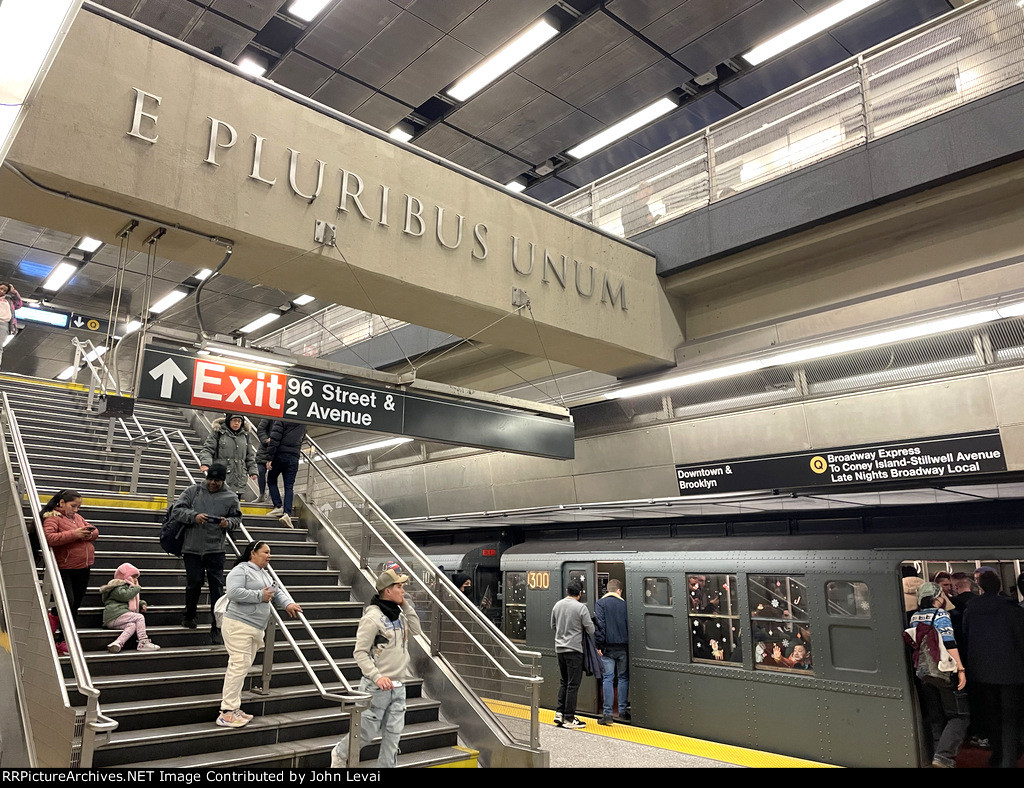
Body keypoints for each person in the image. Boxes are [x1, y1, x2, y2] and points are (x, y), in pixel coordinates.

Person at [331, 564, 423, 768]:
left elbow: (416, 630)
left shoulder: (399, 614)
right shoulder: (372, 618)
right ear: (388, 590)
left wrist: (406, 606)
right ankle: (340, 753)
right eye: (400, 587)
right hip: (376, 687)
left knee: (393, 737)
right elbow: (360, 652)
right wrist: (376, 676)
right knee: (365, 732)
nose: (403, 590)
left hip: (399, 685)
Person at [216, 540, 302, 728]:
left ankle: (234, 707)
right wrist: (258, 596)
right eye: (266, 552)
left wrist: (287, 604)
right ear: (252, 553)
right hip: (238, 625)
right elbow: (233, 592)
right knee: (238, 665)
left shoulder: (264, 574)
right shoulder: (241, 570)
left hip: (255, 627)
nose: (269, 555)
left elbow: (275, 592)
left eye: (270, 552)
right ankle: (227, 712)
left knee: (243, 666)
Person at [173, 463, 241, 645]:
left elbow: (238, 519)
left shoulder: (231, 497)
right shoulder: (193, 491)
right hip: (192, 548)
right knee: (193, 582)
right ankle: (189, 614)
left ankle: (217, 627)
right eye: (210, 479)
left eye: (216, 481)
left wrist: (228, 523)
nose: (212, 483)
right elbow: (177, 510)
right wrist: (193, 516)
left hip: (215, 549)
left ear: (222, 481)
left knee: (216, 589)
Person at [962, 571, 1024, 768]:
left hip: (981, 672)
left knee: (992, 716)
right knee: (1010, 718)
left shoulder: (970, 609)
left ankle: (996, 755)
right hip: (1011, 672)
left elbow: (965, 634)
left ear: (980, 587)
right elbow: (1021, 640)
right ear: (999, 586)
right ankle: (1008, 760)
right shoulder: (1012, 609)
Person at [906, 582, 969, 769]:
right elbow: (949, 642)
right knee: (959, 716)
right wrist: (960, 669)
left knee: (936, 716)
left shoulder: (915, 616)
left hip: (924, 671)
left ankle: (935, 754)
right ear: (937, 597)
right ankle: (943, 756)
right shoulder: (941, 614)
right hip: (943, 669)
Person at [41, 489, 99, 643]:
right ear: (62, 503)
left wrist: (89, 533)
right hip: (65, 567)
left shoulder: (78, 518)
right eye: (73, 506)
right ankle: (59, 627)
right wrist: (75, 534)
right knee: (68, 602)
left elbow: (95, 530)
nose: (76, 510)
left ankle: (65, 639)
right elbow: (49, 538)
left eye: (78, 506)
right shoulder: (53, 517)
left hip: (84, 567)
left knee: (75, 604)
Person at [551, 581, 593, 729]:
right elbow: (590, 629)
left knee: (564, 681)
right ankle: (569, 717)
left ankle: (559, 713)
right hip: (574, 650)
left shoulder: (557, 606)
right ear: (580, 593)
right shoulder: (581, 608)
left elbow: (553, 626)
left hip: (560, 649)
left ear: (567, 591)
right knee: (573, 685)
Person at [100, 562, 159, 652]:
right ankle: (143, 642)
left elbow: (132, 600)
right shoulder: (117, 587)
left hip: (117, 618)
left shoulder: (129, 588)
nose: (135, 579)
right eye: (133, 576)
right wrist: (136, 588)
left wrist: (142, 604)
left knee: (132, 625)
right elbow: (125, 596)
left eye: (136, 577)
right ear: (124, 576)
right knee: (139, 617)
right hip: (115, 615)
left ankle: (118, 643)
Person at [200, 413, 257, 500]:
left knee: (234, 506)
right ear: (228, 420)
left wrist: (253, 470)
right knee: (219, 504)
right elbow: (207, 449)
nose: (237, 423)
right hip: (222, 475)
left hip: (239, 477)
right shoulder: (218, 432)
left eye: (239, 421)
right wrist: (205, 463)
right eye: (234, 420)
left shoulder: (245, 435)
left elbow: (250, 455)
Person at [595, 578, 628, 725]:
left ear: (608, 590)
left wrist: (599, 646)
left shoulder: (600, 604)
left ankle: (607, 714)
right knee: (623, 678)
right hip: (622, 648)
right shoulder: (624, 604)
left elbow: (600, 626)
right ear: (619, 590)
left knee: (608, 678)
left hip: (607, 648)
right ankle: (622, 711)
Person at [265, 420, 306, 528]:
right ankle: (287, 513)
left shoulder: (281, 420)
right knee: (289, 486)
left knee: (271, 480)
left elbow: (274, 439)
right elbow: (303, 438)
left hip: (279, 455)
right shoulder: (302, 423)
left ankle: (278, 506)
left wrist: (269, 458)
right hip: (293, 458)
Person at [0, 282, 22, 366]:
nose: (2, 291)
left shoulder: (8, 300)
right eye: (0, 288)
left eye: (4, 290)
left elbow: (19, 304)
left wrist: (13, 292)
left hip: (3, 325)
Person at [254, 418, 274, 503]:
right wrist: (265, 440)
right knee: (261, 471)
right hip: (264, 449)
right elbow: (261, 429)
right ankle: (261, 494)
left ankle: (271, 495)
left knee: (273, 474)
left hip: (275, 449)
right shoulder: (269, 416)